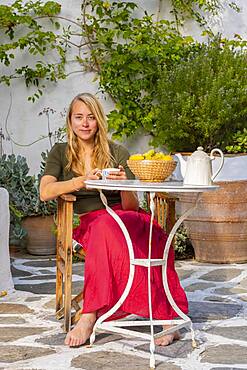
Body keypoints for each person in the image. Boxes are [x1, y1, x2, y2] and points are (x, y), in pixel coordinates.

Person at [40, 92, 188, 348]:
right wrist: (80, 181)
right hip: (94, 220)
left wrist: (124, 186)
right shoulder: (60, 152)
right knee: (104, 228)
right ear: (70, 121)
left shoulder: (116, 151)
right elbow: (45, 191)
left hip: (126, 216)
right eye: (79, 117)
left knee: (153, 235)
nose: (85, 124)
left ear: (99, 121)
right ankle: (89, 314)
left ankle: (167, 318)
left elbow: (132, 205)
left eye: (91, 117)